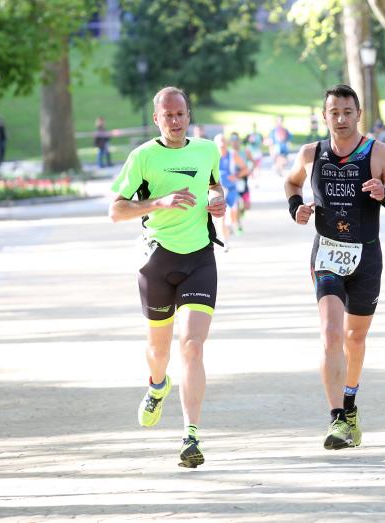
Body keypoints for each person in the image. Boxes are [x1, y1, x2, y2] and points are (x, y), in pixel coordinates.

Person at [284, 84, 385, 450]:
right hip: (326, 254)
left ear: (358, 115)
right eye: (333, 112)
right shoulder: (311, 154)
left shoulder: (378, 153)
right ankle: (337, 418)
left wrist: (384, 195)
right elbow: (291, 182)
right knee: (331, 334)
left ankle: (350, 406)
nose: (340, 119)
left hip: (366, 257)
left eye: (347, 112)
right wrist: (297, 208)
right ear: (324, 116)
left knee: (355, 338)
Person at [108, 86, 226, 467]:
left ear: (188, 115)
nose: (175, 122)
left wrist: (219, 199)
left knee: (191, 346)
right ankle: (157, 385)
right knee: (159, 351)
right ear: (157, 118)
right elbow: (116, 210)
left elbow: (213, 185)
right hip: (157, 261)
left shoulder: (207, 150)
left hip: (200, 260)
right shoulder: (142, 157)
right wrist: (159, 202)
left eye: (180, 114)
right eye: (167, 116)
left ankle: (191, 435)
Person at [214, 133, 247, 245]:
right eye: (220, 142)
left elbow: (245, 169)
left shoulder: (233, 155)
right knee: (221, 216)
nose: (222, 144)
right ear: (215, 144)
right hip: (218, 190)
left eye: (223, 141)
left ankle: (228, 228)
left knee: (232, 217)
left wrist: (236, 176)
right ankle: (224, 241)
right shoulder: (212, 156)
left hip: (232, 189)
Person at [229, 131, 253, 225]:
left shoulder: (245, 152)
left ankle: (241, 213)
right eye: (232, 139)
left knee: (247, 205)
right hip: (232, 181)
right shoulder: (228, 153)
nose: (234, 142)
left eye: (236, 139)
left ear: (239, 140)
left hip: (243, 179)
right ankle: (236, 222)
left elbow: (252, 163)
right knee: (235, 203)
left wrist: (249, 169)